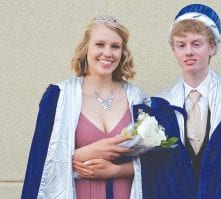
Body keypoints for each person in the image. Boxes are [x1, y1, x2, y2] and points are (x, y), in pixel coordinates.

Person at [131, 3, 221, 199]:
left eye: (196, 44)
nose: (188, 52)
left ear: (213, 47)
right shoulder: (159, 106)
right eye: (181, 45)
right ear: (173, 49)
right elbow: (149, 172)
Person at [21, 15, 147, 199]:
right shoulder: (59, 97)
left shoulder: (137, 98)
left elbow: (158, 164)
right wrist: (82, 154)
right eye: (100, 44)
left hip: (126, 192)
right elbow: (39, 163)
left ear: (123, 52)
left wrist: (116, 170)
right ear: (86, 47)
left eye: (115, 46)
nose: (108, 53)